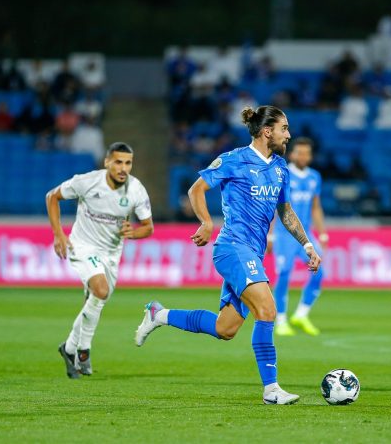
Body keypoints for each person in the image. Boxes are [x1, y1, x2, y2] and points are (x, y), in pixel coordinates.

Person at [135, 105, 321, 405]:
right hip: (232, 247)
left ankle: (160, 314)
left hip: (253, 254)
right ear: (267, 131)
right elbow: (197, 189)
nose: (289, 135)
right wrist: (207, 222)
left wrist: (307, 245)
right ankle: (271, 389)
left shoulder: (279, 168)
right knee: (268, 309)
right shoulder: (235, 160)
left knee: (226, 328)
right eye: (284, 129)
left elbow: (285, 212)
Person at [48, 142, 154, 379]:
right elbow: (52, 197)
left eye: (128, 163)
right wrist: (58, 234)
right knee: (101, 290)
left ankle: (68, 349)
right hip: (83, 246)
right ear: (107, 162)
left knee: (96, 300)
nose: (123, 168)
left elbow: (148, 228)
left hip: (111, 254)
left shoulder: (136, 190)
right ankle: (84, 350)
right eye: (118, 162)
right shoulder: (87, 182)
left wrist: (133, 232)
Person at [268, 138, 327, 337]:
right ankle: (281, 320)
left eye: (307, 153)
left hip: (306, 234)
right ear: (292, 154)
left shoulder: (314, 177)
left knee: (319, 273)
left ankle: (301, 314)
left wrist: (323, 232)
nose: (303, 157)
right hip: (284, 235)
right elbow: (275, 207)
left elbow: (316, 207)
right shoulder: (282, 174)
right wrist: (270, 235)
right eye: (300, 153)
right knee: (284, 274)